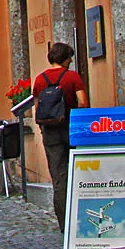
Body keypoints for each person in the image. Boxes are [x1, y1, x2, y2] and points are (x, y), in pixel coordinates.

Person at [33, 42, 89, 232]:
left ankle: (65, 224)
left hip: (50, 132)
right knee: (80, 172)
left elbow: (37, 107)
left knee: (59, 178)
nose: (71, 60)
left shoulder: (40, 80)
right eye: (69, 57)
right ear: (65, 59)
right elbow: (83, 103)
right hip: (71, 128)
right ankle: (82, 215)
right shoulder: (72, 77)